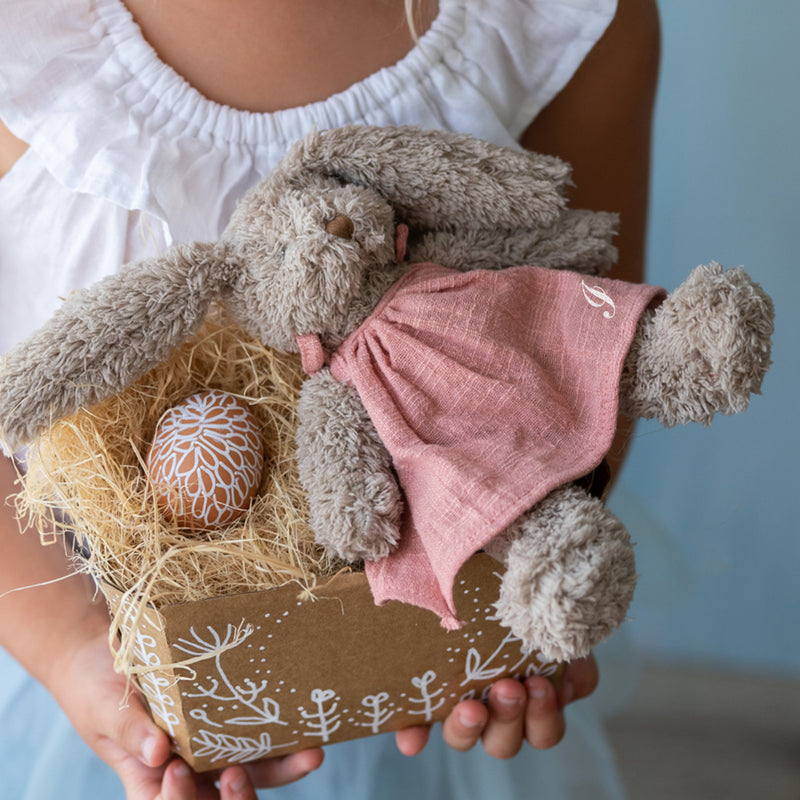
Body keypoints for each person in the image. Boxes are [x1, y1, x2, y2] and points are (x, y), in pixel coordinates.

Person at [0, 0, 659, 798]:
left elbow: (589, 347)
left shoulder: (564, 18)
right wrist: (75, 648)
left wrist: (507, 592)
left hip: (437, 640)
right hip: (108, 659)